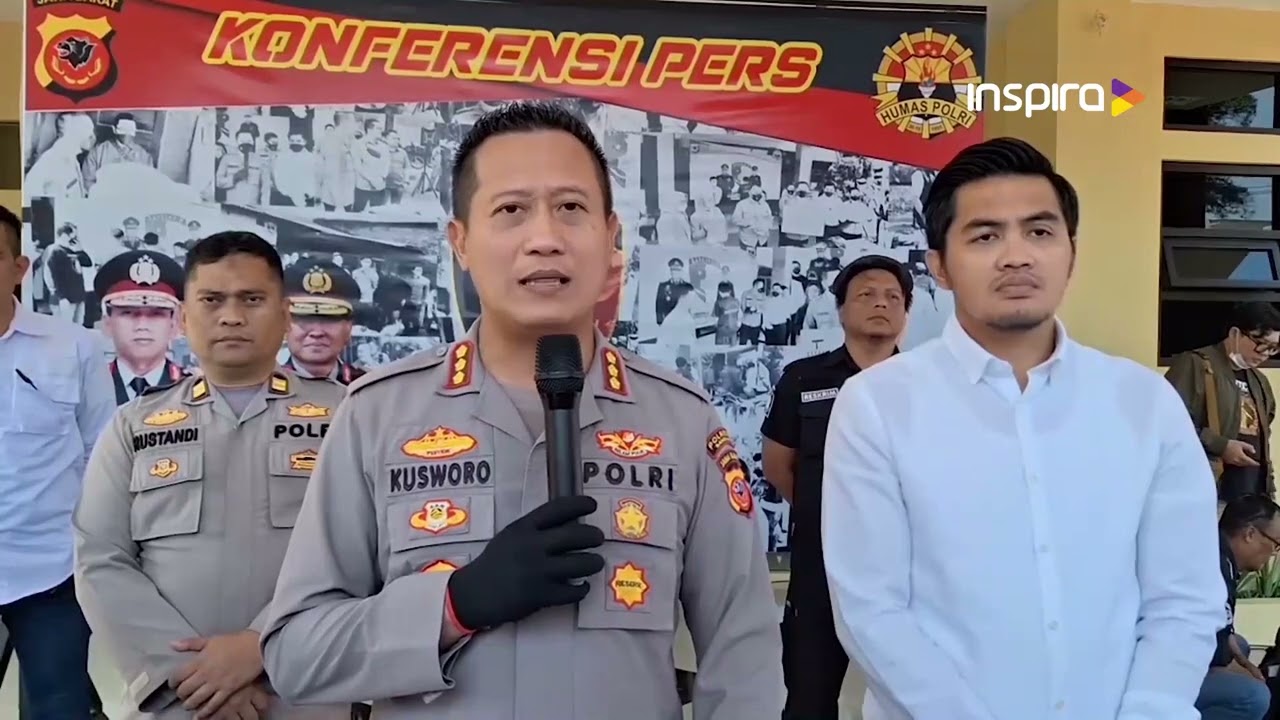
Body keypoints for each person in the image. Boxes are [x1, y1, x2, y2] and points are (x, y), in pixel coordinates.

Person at [260, 101, 783, 719]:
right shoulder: (376, 415)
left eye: (571, 208)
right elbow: (297, 654)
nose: (545, 239)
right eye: (511, 210)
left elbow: (744, 657)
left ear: (611, 238)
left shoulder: (683, 421)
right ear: (461, 243)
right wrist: (454, 606)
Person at [822, 138, 1225, 720]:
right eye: (985, 236)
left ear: (1071, 252)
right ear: (940, 266)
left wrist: (1151, 709)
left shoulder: (1144, 402)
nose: (1016, 256)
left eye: (1039, 231)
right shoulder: (878, 405)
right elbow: (871, 610)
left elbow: (1184, 598)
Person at [73, 232, 350, 720]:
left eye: (252, 299)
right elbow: (100, 559)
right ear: (183, 318)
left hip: (308, 688)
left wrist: (259, 644)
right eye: (212, 300)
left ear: (285, 315)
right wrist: (189, 676)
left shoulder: (348, 417)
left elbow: (364, 553)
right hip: (179, 700)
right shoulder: (134, 425)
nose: (232, 316)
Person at [760, 253, 911, 719]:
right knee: (808, 698)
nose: (881, 303)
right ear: (841, 310)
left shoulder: (924, 385)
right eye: (866, 294)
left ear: (906, 312)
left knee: (914, 698)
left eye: (893, 297)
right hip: (820, 567)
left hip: (906, 571)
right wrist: (829, 515)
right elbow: (778, 466)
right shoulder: (803, 378)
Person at [0, 204, 116, 717]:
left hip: (51, 572)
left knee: (59, 707)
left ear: (19, 268)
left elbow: (101, 453)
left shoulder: (75, 346)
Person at [1166, 302, 1280, 503]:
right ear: (1235, 333)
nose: (1264, 353)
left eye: (1273, 348)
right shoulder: (1195, 364)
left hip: (1251, 497)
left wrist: (1269, 492)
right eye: (1260, 342)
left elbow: (1264, 442)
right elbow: (1167, 425)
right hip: (1205, 492)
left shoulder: (1259, 381)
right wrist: (1221, 446)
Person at [1197, 495, 1280, 720]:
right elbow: (1208, 647)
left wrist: (1244, 664)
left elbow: (1224, 630)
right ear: (1250, 534)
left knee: (1240, 646)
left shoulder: (1223, 558)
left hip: (1186, 654)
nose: (1274, 553)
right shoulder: (1211, 565)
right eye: (1275, 543)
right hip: (1164, 671)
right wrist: (1240, 671)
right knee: (1254, 696)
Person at [94, 250, 187, 404]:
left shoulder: (195, 390)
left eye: (156, 314)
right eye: (128, 313)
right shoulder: (87, 388)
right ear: (107, 323)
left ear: (174, 324)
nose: (142, 326)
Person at [282, 259, 365, 385]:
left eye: (329, 319)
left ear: (348, 328)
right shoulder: (259, 387)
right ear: (283, 325)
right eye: (304, 319)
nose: (317, 332)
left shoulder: (368, 388)